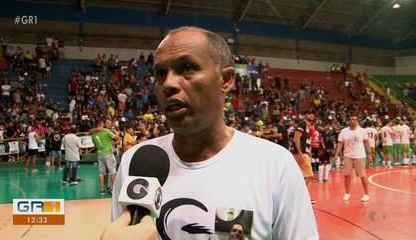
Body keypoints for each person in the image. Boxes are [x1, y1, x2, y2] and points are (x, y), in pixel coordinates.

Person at [107, 27, 318, 239]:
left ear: (225, 79)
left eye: (187, 68)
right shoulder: (135, 162)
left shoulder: (274, 165)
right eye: (160, 73)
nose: (168, 84)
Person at [334, 115, 372, 202]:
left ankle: (366, 194)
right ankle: (347, 193)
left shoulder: (362, 131)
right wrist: (336, 154)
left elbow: (366, 142)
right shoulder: (344, 131)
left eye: (355, 119)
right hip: (348, 156)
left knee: (362, 176)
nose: (354, 121)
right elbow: (340, 143)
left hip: (360, 156)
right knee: (347, 175)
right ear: (348, 121)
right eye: (352, 119)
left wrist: (369, 154)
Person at [290, 111, 316, 204]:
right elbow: (296, 138)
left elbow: (307, 142)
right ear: (305, 116)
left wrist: (309, 153)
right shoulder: (302, 124)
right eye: (308, 114)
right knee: (309, 176)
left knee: (303, 176)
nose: (311, 115)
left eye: (312, 114)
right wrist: (300, 153)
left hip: (304, 153)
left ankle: (299, 197)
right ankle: (302, 197)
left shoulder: (308, 127)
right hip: (301, 154)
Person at [90, 119, 120, 194]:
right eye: (103, 123)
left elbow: (95, 144)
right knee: (113, 172)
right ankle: (114, 189)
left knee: (101, 173)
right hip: (108, 153)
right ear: (101, 124)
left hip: (100, 154)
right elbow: (116, 138)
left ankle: (102, 190)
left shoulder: (93, 134)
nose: (104, 124)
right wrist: (117, 133)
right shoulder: (106, 131)